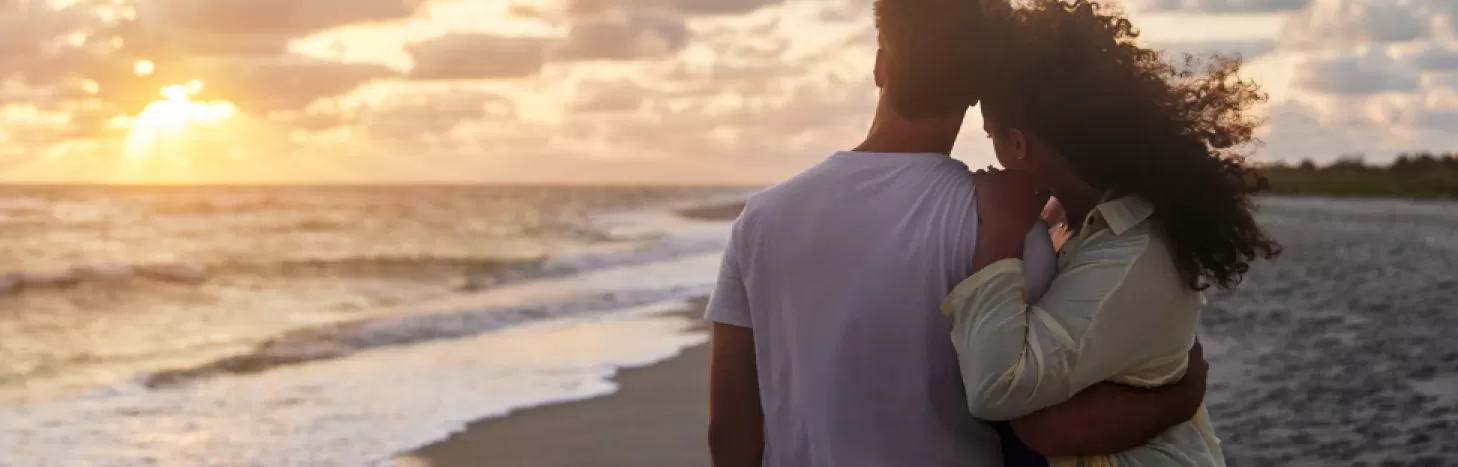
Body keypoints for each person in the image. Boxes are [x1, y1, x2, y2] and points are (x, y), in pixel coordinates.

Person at [704, 1, 1213, 466]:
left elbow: (729, 429)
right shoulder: (1002, 229)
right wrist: (1176, 398)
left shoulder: (761, 220)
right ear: (975, 94)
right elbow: (1046, 423)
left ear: (880, 65)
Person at [944, 0, 1281, 466]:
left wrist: (1000, 229)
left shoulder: (1132, 250)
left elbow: (994, 386)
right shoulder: (1071, 215)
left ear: (1017, 144)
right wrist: (1172, 400)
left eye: (992, 135)